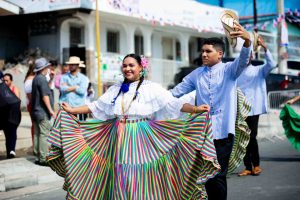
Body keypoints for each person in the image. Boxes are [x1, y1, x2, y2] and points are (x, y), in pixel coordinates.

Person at [47, 53, 220, 199]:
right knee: (119, 174)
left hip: (141, 135)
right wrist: (72, 110)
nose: (127, 69)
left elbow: (173, 104)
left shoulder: (151, 88)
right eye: (124, 66)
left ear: (140, 68)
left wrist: (196, 109)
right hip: (117, 136)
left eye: (131, 65)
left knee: (136, 174)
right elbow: (96, 106)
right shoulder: (117, 88)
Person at [170, 22, 252, 200]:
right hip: (202, 132)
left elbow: (243, 61)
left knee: (217, 175)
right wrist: (148, 94)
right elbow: (174, 93)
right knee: (206, 174)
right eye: (203, 51)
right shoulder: (197, 73)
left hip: (223, 132)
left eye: (208, 51)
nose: (204, 54)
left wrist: (247, 41)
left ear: (220, 54)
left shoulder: (229, 70)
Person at [237, 35, 277, 177]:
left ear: (252, 57)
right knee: (242, 139)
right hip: (239, 110)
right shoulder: (236, 71)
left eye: (249, 55)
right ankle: (248, 167)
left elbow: (272, 64)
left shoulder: (259, 70)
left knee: (252, 137)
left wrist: (265, 47)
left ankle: (257, 165)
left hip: (253, 110)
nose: (247, 57)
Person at [31, 57, 56, 166]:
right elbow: (45, 96)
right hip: (42, 112)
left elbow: (45, 91)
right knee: (44, 134)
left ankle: (38, 156)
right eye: (47, 67)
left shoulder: (36, 78)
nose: (48, 68)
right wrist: (51, 110)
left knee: (37, 134)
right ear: (44, 68)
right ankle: (44, 158)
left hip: (36, 111)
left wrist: (50, 79)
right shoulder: (41, 79)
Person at [59, 56, 88, 121]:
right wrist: (75, 87)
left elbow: (82, 91)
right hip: (65, 108)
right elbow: (62, 89)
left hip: (78, 109)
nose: (70, 66)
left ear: (78, 65)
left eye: (72, 64)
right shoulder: (64, 77)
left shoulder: (83, 78)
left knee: (78, 130)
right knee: (65, 129)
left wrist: (68, 87)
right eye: (70, 64)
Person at [2, 73, 21, 158]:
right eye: (4, 80)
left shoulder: (14, 89)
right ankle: (9, 152)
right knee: (7, 134)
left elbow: (17, 102)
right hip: (4, 116)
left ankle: (12, 150)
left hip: (13, 115)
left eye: (7, 80)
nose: (5, 82)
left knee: (12, 132)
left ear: (11, 81)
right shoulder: (1, 90)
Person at [24, 60, 36, 144]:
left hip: (34, 104)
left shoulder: (33, 78)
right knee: (35, 125)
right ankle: (35, 144)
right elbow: (29, 95)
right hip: (32, 105)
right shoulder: (29, 79)